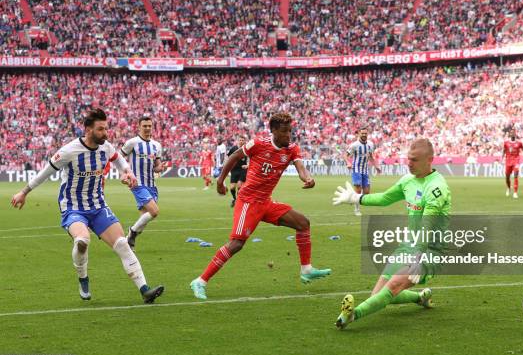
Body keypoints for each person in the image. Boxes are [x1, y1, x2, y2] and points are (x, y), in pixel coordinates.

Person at [10, 108, 164, 303]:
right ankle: (83, 278)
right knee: (82, 240)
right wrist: (24, 192)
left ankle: (145, 290)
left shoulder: (106, 147)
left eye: (106, 128)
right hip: (73, 207)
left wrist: (128, 173)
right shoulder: (69, 151)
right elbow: (46, 172)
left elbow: (120, 161)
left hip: (98, 206)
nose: (105, 133)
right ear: (88, 130)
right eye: (100, 129)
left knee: (123, 244)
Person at [190, 113, 331, 300]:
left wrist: (309, 179)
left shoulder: (291, 149)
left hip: (266, 202)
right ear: (273, 131)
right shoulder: (257, 143)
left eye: (290, 131)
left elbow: (301, 169)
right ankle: (200, 281)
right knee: (237, 244)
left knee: (303, 223)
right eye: (284, 132)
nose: (288, 135)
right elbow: (234, 156)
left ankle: (306, 269)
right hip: (248, 201)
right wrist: (220, 181)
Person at [332, 138, 451, 329]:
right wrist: (357, 197)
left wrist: (419, 258)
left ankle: (352, 316)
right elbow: (385, 198)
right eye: (408, 158)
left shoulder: (436, 187)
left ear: (430, 160)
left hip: (431, 250)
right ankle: (421, 297)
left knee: (393, 286)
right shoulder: (407, 181)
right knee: (378, 295)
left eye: (414, 160)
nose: (408, 163)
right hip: (409, 245)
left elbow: (427, 226)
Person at [122, 116, 164, 250]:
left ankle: (128, 241)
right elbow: (119, 159)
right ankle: (132, 232)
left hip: (151, 184)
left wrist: (160, 168)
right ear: (139, 127)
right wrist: (124, 174)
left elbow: (156, 166)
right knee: (155, 211)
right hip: (137, 183)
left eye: (149, 126)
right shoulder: (132, 143)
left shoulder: (156, 145)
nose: (147, 128)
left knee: (144, 219)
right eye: (144, 126)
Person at [346, 127, 381, 216]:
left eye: (365, 133)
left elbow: (371, 157)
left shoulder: (371, 144)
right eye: (362, 133)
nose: (364, 135)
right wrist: (348, 163)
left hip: (365, 170)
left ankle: (353, 198)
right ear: (359, 134)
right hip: (356, 169)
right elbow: (345, 155)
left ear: (367, 134)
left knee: (366, 192)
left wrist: (376, 166)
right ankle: (356, 210)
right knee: (358, 190)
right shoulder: (354, 145)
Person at [502, 128, 523, 198]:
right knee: (507, 177)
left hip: (516, 160)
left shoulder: (519, 143)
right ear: (509, 134)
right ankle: (508, 188)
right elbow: (504, 151)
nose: (513, 134)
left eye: (514, 132)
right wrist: (502, 158)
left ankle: (515, 192)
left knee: (515, 175)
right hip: (508, 161)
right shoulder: (506, 143)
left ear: (515, 134)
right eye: (511, 133)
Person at [227, 135, 248, 208]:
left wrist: (247, 165)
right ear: (238, 141)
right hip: (234, 170)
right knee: (232, 187)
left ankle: (239, 202)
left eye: (243, 140)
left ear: (245, 141)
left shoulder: (247, 149)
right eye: (240, 140)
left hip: (243, 170)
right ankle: (234, 199)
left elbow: (252, 158)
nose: (241, 141)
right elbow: (228, 157)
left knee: (239, 186)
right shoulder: (233, 149)